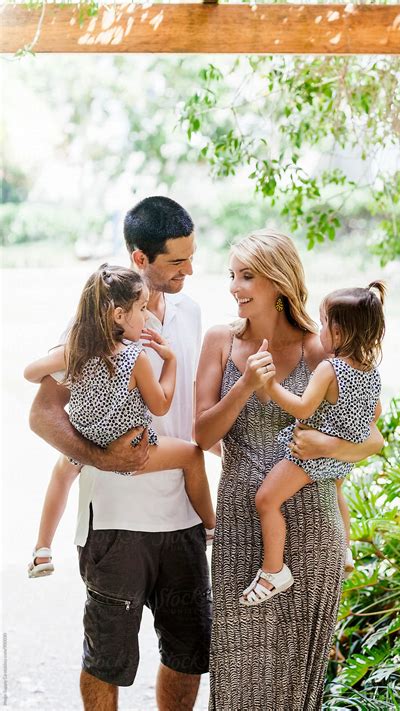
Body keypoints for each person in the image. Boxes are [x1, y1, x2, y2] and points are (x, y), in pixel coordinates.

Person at [28, 197, 212, 711]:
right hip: (113, 524)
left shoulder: (192, 314)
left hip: (182, 518)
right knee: (106, 661)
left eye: (191, 256)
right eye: (177, 262)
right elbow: (42, 414)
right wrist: (104, 458)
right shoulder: (92, 324)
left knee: (187, 653)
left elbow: (192, 405)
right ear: (139, 259)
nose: (190, 270)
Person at [195, 229, 384, 710]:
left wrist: (327, 442)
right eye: (232, 276)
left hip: (314, 524)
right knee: (238, 668)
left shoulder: (322, 350)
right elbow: (201, 436)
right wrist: (244, 388)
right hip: (241, 517)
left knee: (297, 677)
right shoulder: (220, 340)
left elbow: (374, 438)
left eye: (247, 276)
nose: (235, 287)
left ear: (278, 283)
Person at [24, 264, 215, 579]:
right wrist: (171, 361)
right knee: (191, 456)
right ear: (118, 316)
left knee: (62, 474)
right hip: (132, 446)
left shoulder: (78, 351)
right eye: (140, 309)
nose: (145, 316)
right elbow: (162, 403)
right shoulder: (135, 357)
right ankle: (210, 526)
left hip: (87, 441)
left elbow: (30, 373)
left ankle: (42, 549)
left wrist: (63, 356)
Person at [240, 282, 385, 606]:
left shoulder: (329, 369)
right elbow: (374, 413)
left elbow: (302, 408)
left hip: (309, 456)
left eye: (323, 324)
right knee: (336, 491)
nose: (319, 331)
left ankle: (273, 570)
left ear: (340, 332)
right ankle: (345, 548)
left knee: (266, 500)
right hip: (341, 459)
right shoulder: (371, 373)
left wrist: (270, 384)